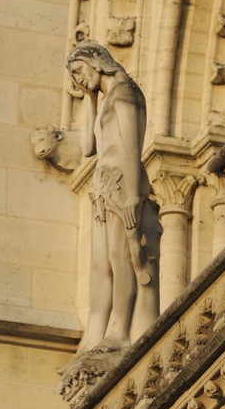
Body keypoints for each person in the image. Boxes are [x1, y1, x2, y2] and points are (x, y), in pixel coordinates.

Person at [68, 40, 160, 353]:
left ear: (96, 61)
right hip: (103, 188)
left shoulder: (125, 92)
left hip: (123, 184)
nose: (79, 80)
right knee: (101, 264)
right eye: (74, 77)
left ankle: (120, 330)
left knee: (123, 259)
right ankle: (96, 335)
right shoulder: (106, 99)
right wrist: (89, 98)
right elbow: (86, 147)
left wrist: (134, 195)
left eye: (80, 71)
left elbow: (133, 147)